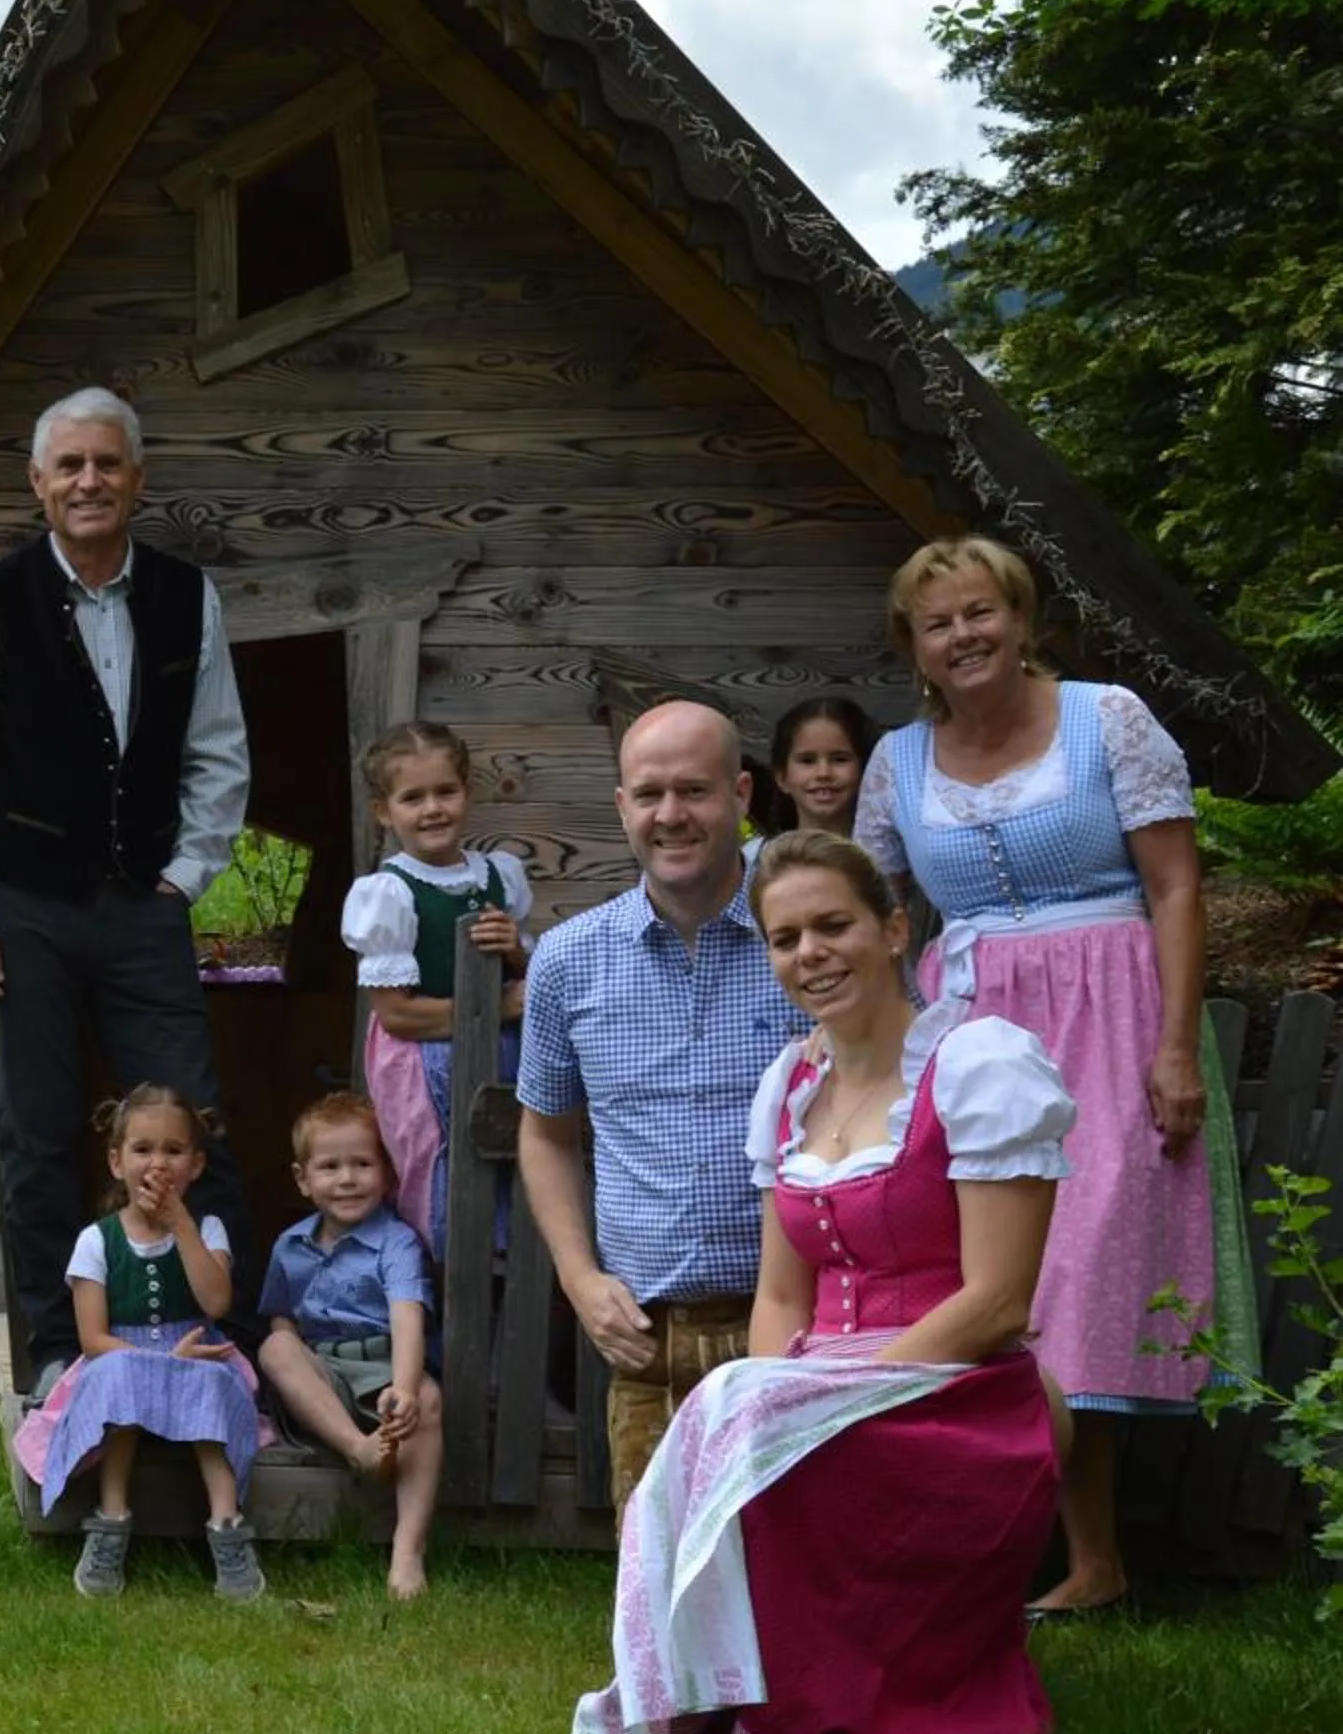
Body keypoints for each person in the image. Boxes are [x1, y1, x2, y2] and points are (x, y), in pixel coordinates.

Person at [573, 833, 1069, 1734]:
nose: (810, 954)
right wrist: (777, 1398)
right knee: (722, 1415)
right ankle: (701, 1699)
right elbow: (779, 1293)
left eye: (833, 925)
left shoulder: (979, 1066)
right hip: (818, 1386)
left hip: (958, 1394)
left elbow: (1000, 1298)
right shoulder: (791, 1087)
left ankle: (784, 1710)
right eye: (785, 936)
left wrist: (818, 1405)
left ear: (892, 929)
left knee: (736, 1408)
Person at [853, 534, 1243, 1618]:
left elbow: (1175, 888)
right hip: (971, 1021)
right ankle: (988, 1541)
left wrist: (1173, 1044)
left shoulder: (1105, 718)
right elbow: (874, 915)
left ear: (1024, 622)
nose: (964, 635)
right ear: (915, 649)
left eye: (982, 612)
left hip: (1110, 1012)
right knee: (969, 1271)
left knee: (1074, 1274)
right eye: (939, 623)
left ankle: (1093, 1555)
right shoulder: (898, 762)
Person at [0, 387, 256, 1394]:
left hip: (141, 906)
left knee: (195, 1123)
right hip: (21, 904)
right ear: (38, 482)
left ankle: (216, 1341)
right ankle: (57, 1355)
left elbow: (217, 751)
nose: (87, 481)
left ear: (137, 479)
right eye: (67, 465)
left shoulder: (186, 595)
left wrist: (182, 877)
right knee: (34, 1133)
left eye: (106, 463)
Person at [518, 700, 813, 1507]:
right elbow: (545, 1136)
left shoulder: (807, 936)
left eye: (695, 791)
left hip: (803, 1321)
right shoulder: (571, 962)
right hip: (647, 1335)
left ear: (743, 794)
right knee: (658, 1582)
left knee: (795, 1570)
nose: (670, 815)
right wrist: (579, 1279)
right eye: (649, 795)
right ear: (621, 807)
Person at [12, 1086, 268, 1602]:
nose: (158, 1163)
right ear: (116, 1161)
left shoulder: (207, 1228)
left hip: (196, 1355)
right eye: (143, 1149)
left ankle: (226, 1526)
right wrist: (157, 1362)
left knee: (212, 1382)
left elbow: (216, 1304)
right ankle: (111, 1519)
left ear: (195, 1165)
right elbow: (93, 1339)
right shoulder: (96, 1240)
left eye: (173, 1151)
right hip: (120, 1360)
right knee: (119, 1379)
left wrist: (183, 1226)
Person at [342, 720, 532, 1260]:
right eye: (412, 797)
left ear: (467, 791)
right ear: (385, 811)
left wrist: (515, 949)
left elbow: (525, 972)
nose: (432, 809)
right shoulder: (388, 893)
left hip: (500, 1054)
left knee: (510, 1153)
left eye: (445, 791)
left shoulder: (501, 874)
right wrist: (494, 1010)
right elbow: (398, 1013)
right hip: (423, 1063)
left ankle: (508, 1266)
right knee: (444, 1167)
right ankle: (444, 1277)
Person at [254, 1093, 444, 1599]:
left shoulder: (397, 1243)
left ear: (386, 1171)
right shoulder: (290, 1245)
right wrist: (295, 1366)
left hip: (383, 1368)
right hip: (325, 1380)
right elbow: (282, 1316)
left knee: (426, 1399)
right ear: (302, 1179)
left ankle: (408, 1552)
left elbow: (408, 1318)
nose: (346, 1179)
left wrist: (402, 1388)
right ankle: (357, 1449)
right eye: (330, 1166)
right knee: (275, 1346)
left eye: (362, 1164)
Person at [748, 696, 880, 853]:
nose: (823, 773)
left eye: (840, 759)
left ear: (865, 770)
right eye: (807, 761)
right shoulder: (758, 859)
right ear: (782, 777)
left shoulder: (888, 860)